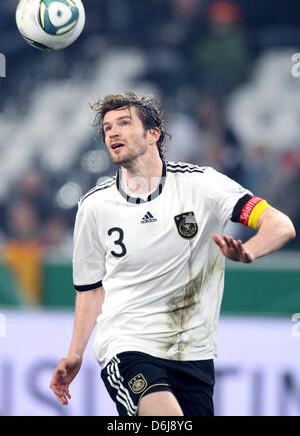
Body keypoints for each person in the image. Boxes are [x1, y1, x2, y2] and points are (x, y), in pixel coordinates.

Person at [50, 92, 296, 416]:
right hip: (127, 345)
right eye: (107, 128)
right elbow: (91, 288)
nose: (113, 132)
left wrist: (250, 250)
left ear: (153, 133)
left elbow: (281, 224)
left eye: (124, 123)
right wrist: (75, 352)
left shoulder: (202, 185)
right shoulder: (94, 206)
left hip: (194, 354)